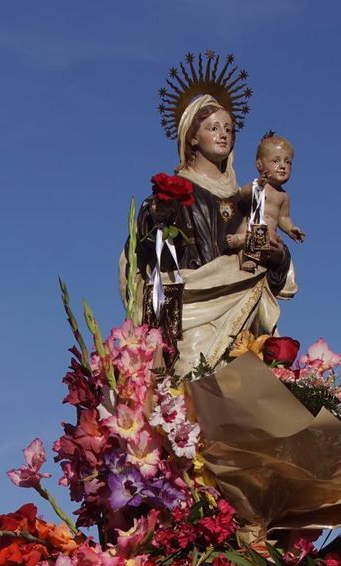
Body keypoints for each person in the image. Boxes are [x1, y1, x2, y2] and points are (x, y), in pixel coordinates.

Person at [126, 93, 297, 377]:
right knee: (190, 382)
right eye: (213, 128)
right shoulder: (175, 192)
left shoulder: (249, 196)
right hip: (191, 305)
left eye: (229, 129)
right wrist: (157, 212)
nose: (223, 136)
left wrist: (278, 256)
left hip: (241, 306)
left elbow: (270, 247)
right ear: (192, 137)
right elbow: (147, 250)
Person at [239, 132, 304, 265]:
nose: (282, 166)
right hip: (252, 229)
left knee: (278, 251)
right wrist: (257, 186)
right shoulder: (258, 185)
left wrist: (291, 229)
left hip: (270, 235)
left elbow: (283, 218)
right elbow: (242, 195)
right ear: (259, 165)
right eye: (276, 161)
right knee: (257, 235)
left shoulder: (283, 196)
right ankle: (246, 258)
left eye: (287, 162)